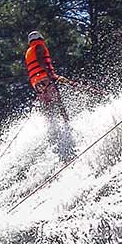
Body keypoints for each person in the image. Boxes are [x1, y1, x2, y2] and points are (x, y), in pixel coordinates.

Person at [24, 30, 76, 159]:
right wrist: (51, 75)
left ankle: (51, 128)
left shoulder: (28, 52)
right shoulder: (40, 47)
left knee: (47, 105)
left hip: (36, 83)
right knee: (58, 102)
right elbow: (42, 62)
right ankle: (67, 124)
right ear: (40, 38)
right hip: (44, 78)